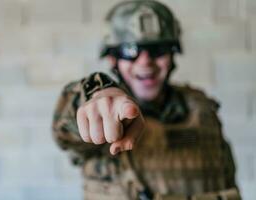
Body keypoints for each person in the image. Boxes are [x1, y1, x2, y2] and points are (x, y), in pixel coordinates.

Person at [52, 0, 242, 199]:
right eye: (130, 51)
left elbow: (227, 178)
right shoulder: (103, 114)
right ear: (113, 59)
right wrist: (95, 94)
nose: (145, 61)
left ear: (173, 54)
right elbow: (66, 128)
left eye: (157, 49)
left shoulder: (202, 108)